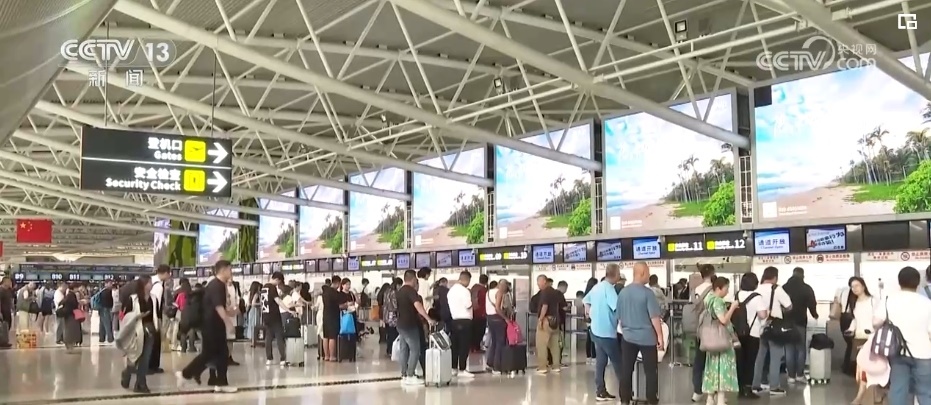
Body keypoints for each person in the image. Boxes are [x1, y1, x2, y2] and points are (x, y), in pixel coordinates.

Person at [871, 266, 931, 404]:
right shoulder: (927, 303)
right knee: (925, 392)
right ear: (918, 283)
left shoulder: (888, 300)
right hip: (924, 354)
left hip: (898, 352)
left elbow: (875, 323)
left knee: (898, 390)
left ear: (899, 282)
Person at [176, 260, 237, 393]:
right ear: (223, 270)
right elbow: (218, 306)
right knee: (208, 354)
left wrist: (231, 312)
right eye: (230, 269)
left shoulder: (218, 285)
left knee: (222, 354)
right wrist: (228, 322)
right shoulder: (216, 285)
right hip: (211, 326)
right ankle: (185, 374)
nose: (231, 272)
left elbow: (218, 306)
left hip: (214, 325)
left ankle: (221, 383)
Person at [617, 262, 664, 405]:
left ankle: (625, 399)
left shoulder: (623, 293)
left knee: (626, 369)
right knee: (650, 371)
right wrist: (660, 337)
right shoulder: (647, 293)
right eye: (648, 273)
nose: (649, 276)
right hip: (647, 338)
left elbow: (619, 317)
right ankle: (651, 399)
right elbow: (654, 317)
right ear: (642, 273)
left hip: (628, 337)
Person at [582, 264, 623, 401]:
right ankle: (626, 392)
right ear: (615, 274)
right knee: (618, 362)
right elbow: (617, 308)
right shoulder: (609, 289)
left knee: (601, 362)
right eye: (619, 273)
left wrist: (590, 313)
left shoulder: (597, 287)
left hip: (595, 330)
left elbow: (585, 300)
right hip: (607, 331)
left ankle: (600, 391)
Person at [751, 266, 792, 396]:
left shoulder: (757, 289)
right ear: (775, 277)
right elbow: (789, 306)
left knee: (760, 357)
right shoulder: (776, 289)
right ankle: (774, 386)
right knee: (776, 356)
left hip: (760, 327)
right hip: (775, 328)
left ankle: (756, 384)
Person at [701, 277, 740, 405]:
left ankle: (710, 397)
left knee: (712, 368)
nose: (727, 291)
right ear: (719, 288)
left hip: (711, 339)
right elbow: (723, 320)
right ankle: (721, 399)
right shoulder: (718, 301)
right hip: (722, 338)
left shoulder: (708, 298)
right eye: (726, 288)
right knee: (723, 368)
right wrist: (732, 307)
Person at [396, 269, 435, 386]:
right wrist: (428, 319)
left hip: (400, 324)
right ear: (413, 279)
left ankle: (404, 374)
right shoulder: (411, 291)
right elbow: (418, 305)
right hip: (409, 325)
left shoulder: (400, 291)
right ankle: (410, 375)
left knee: (404, 350)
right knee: (415, 350)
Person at [119, 276, 156, 393]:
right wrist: (137, 316)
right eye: (149, 283)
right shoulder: (133, 299)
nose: (151, 285)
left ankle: (140, 383)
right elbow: (125, 316)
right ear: (143, 284)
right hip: (136, 331)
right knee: (134, 358)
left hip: (149, 331)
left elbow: (157, 314)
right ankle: (127, 373)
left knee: (145, 358)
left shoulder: (153, 298)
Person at [845, 277, 879, 404]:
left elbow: (879, 318)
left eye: (857, 285)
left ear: (863, 286)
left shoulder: (873, 301)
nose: (855, 289)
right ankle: (869, 396)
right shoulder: (854, 302)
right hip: (858, 337)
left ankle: (861, 397)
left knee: (869, 369)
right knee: (860, 369)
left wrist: (874, 330)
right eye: (852, 286)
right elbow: (855, 319)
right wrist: (851, 329)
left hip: (871, 338)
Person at [782, 267, 819, 383]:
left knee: (789, 349)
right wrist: (815, 315)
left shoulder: (784, 288)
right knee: (800, 349)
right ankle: (799, 375)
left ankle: (791, 376)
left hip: (786, 322)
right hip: (800, 322)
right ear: (803, 275)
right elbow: (812, 303)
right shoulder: (806, 288)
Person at [691, 264, 717, 402]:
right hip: (712, 329)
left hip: (699, 330)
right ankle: (713, 393)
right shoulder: (714, 290)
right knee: (713, 361)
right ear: (712, 273)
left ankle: (697, 391)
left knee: (699, 361)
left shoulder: (695, 290)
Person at [733, 272, 762, 399]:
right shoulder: (757, 297)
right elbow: (762, 315)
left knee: (740, 361)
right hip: (753, 333)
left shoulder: (737, 295)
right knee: (750, 362)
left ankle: (740, 389)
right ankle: (748, 389)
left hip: (738, 332)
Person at [447, 271, 474, 378]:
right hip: (465, 321)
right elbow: (468, 305)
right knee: (464, 346)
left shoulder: (451, 291)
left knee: (455, 346)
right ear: (466, 279)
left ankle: (453, 368)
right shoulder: (465, 291)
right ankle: (462, 369)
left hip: (454, 320)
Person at [535, 274, 563, 374]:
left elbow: (545, 306)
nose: (538, 285)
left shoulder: (545, 292)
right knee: (555, 345)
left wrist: (540, 319)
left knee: (541, 344)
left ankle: (542, 367)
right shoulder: (555, 292)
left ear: (544, 281)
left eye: (538, 282)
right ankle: (556, 366)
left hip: (546, 321)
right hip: (555, 321)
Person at [262, 272, 291, 366]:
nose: (278, 284)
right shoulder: (272, 287)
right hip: (274, 315)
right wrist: (288, 309)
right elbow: (277, 300)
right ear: (277, 279)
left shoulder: (264, 287)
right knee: (279, 337)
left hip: (266, 315)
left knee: (268, 337)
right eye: (279, 282)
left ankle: (269, 358)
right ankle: (283, 358)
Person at [485, 279, 513, 375]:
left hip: (490, 318)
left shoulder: (488, 292)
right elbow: (497, 308)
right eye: (505, 287)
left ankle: (490, 363)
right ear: (502, 285)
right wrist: (506, 318)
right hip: (498, 318)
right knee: (500, 343)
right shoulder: (499, 292)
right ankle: (497, 367)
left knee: (494, 342)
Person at [148, 265, 172, 374]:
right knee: (155, 342)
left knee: (150, 342)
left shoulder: (151, 281)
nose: (169, 276)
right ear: (165, 273)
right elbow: (155, 304)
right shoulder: (158, 286)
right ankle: (153, 366)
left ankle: (149, 364)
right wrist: (157, 319)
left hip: (148, 316)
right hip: (154, 317)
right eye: (169, 273)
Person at [832, 277, 858, 375]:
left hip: (843, 318)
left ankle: (846, 366)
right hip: (852, 318)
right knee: (853, 344)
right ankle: (851, 367)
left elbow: (836, 301)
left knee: (849, 344)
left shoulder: (841, 291)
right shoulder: (856, 293)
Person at [321, 276, 343, 362]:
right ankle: (332, 356)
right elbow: (340, 304)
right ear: (337, 283)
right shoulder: (334, 293)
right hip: (333, 316)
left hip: (325, 315)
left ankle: (326, 356)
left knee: (325, 336)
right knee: (332, 336)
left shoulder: (325, 292)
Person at [174, 278, 196, 352]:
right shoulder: (192, 295)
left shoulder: (180, 295)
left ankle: (183, 348)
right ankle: (192, 347)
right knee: (191, 330)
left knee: (183, 331)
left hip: (182, 314)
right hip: (191, 314)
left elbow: (176, 305)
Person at [60, 283, 82, 354]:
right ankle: (69, 347)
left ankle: (70, 347)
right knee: (71, 331)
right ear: (74, 288)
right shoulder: (71, 295)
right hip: (71, 315)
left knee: (69, 331)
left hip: (68, 315)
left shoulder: (69, 295)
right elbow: (73, 305)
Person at [470, 274, 488, 352]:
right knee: (480, 331)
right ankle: (476, 347)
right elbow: (484, 303)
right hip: (481, 314)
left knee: (473, 331)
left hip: (472, 312)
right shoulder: (484, 290)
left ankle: (472, 347)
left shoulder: (473, 288)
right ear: (486, 282)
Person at [0, 277, 13, 348]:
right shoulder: (1, 290)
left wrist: (12, 308)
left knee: (7, 325)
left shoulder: (8, 290)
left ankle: (4, 341)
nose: (10, 283)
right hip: (2, 311)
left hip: (7, 311)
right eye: (9, 281)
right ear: (5, 282)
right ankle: (2, 341)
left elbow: (10, 301)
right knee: (3, 326)